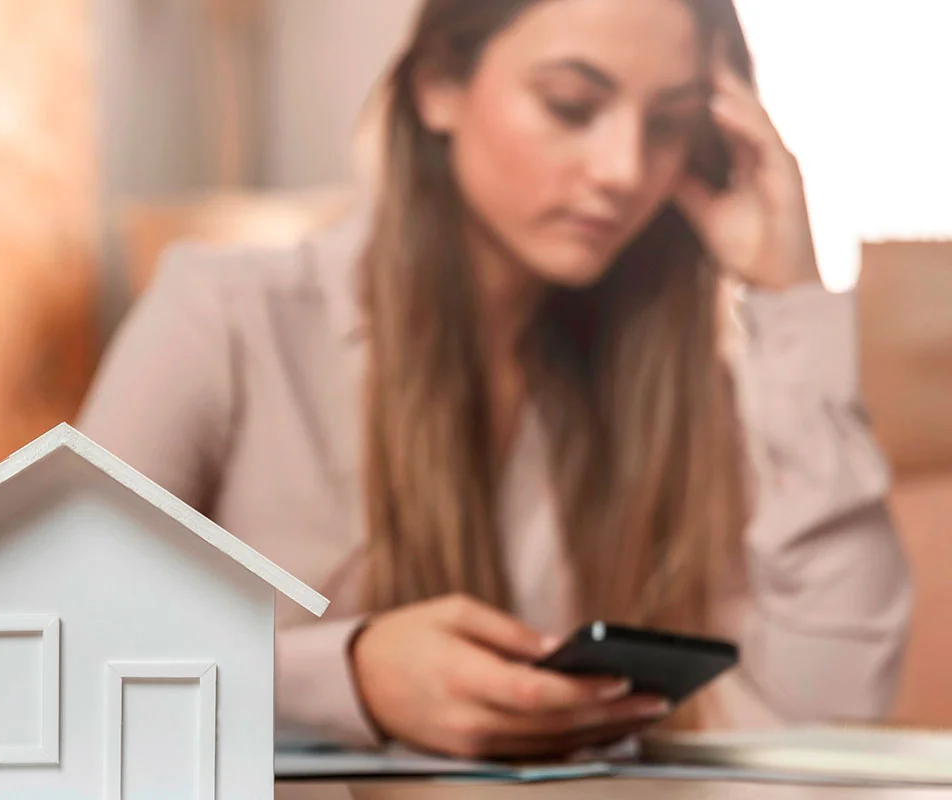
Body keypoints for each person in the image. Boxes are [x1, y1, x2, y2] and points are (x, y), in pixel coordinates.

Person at [78, 0, 912, 760]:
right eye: (571, 106)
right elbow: (59, 648)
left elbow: (827, 706)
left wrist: (790, 295)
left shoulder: (668, 390)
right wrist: (349, 677)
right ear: (439, 85)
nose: (625, 170)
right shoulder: (225, 319)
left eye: (669, 124)